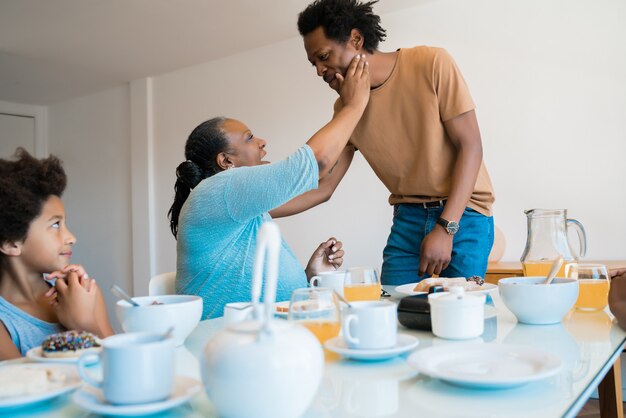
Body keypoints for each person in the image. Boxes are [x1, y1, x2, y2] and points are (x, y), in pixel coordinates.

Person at [297, 0, 496, 286]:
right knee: (394, 315)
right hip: (408, 220)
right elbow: (323, 186)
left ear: (355, 39)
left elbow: (471, 146)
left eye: (324, 56)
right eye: (313, 63)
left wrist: (445, 228)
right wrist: (254, 208)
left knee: (460, 318)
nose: (318, 70)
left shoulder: (431, 62)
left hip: (465, 214)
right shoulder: (346, 109)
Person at [168, 54, 370, 319]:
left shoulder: (241, 207)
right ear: (226, 161)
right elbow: (318, 162)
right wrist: (354, 105)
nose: (262, 142)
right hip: (225, 340)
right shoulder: (221, 190)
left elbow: (323, 189)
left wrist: (309, 275)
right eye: (250, 138)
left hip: (261, 333)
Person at [0, 149, 113, 360]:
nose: (71, 237)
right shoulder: (6, 323)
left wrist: (85, 324)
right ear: (11, 243)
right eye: (55, 224)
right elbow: (29, 388)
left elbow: (122, 368)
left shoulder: (84, 293)